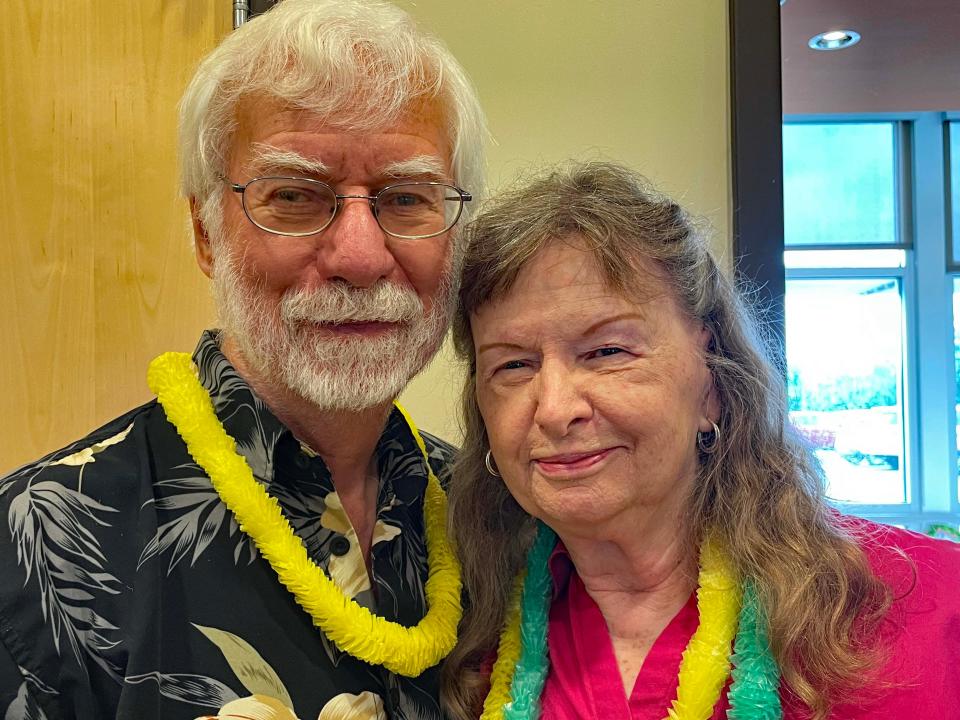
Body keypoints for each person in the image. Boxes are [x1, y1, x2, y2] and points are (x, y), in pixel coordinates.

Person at [0, 1, 484, 718]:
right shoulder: (37, 541)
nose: (359, 257)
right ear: (205, 232)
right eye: (293, 195)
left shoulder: (492, 519)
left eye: (408, 197)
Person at [441, 161, 960, 719]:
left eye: (607, 352)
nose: (556, 409)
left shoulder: (933, 612)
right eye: (513, 366)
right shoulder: (463, 641)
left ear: (712, 382)